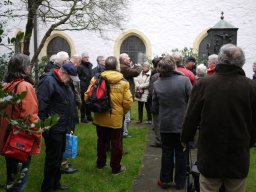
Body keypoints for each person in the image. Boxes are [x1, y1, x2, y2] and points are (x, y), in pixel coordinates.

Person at [181, 44, 256, 192]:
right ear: (242, 62)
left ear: (220, 60)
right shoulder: (251, 87)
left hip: (211, 154)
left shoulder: (204, 84)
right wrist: (250, 141)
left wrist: (185, 138)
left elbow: (190, 118)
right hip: (237, 154)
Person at [0, 53, 42, 192]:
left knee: (12, 178)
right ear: (24, 68)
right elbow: (30, 117)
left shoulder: (7, 86)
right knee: (19, 180)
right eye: (28, 64)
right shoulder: (24, 86)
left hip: (7, 138)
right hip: (19, 141)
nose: (30, 67)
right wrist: (38, 136)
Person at [84, 56, 133, 175]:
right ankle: (116, 168)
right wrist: (122, 112)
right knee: (116, 143)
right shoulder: (123, 82)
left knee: (101, 140)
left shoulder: (96, 79)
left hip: (100, 116)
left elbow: (87, 96)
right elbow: (128, 102)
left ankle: (100, 164)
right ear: (116, 66)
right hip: (116, 118)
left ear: (105, 66)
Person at [152, 55, 192, 190]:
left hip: (166, 124)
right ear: (174, 66)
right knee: (181, 153)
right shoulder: (185, 81)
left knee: (167, 152)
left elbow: (154, 108)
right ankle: (180, 182)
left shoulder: (157, 84)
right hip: (182, 123)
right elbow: (192, 100)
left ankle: (164, 180)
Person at [38, 63, 79, 192]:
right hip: (53, 129)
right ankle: (47, 188)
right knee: (52, 160)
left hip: (64, 128)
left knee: (59, 158)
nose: (71, 81)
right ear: (63, 73)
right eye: (70, 78)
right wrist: (45, 128)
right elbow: (41, 106)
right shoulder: (49, 81)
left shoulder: (65, 83)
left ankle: (56, 183)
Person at [119, 53, 142, 138]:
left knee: (126, 116)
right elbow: (136, 72)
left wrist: (132, 67)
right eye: (128, 58)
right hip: (125, 95)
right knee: (126, 116)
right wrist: (139, 66)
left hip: (126, 94)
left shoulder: (124, 67)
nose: (129, 59)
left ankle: (124, 132)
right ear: (124, 60)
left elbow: (132, 71)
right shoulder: (123, 67)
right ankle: (124, 133)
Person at [148, 56, 162, 148]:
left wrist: (150, 99)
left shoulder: (155, 76)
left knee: (157, 123)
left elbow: (152, 90)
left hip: (157, 101)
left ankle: (159, 141)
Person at [78, 52, 93, 123]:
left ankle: (89, 116)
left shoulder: (90, 65)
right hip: (83, 87)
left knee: (89, 102)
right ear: (82, 58)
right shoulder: (80, 66)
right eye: (85, 57)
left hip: (90, 86)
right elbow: (78, 77)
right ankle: (83, 117)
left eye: (88, 57)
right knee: (83, 103)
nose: (87, 58)